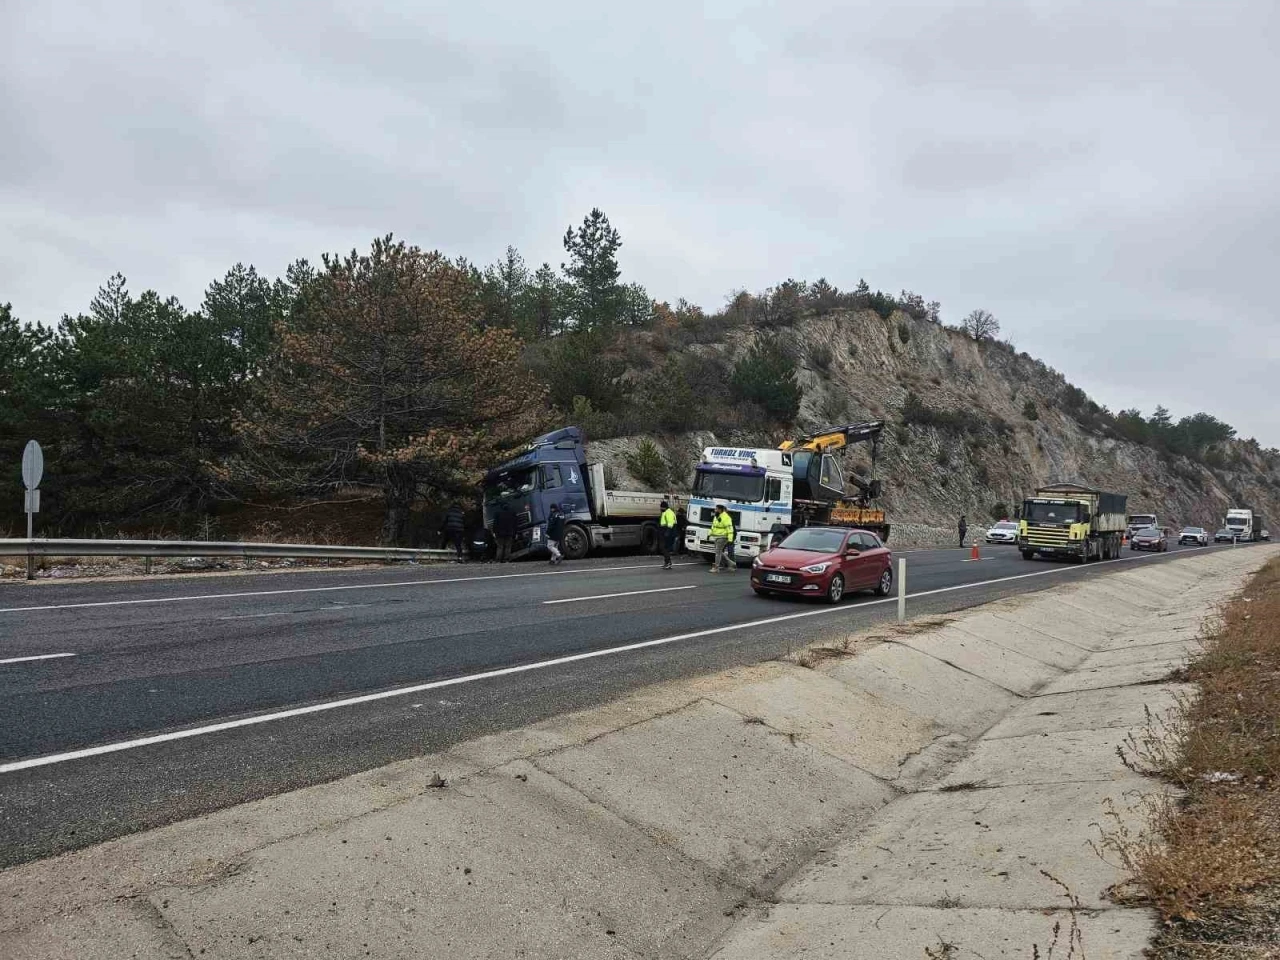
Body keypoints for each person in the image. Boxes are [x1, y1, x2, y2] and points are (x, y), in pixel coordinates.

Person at [709, 503, 736, 573]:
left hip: (723, 536)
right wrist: (709, 534)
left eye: (716, 509)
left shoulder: (726, 517)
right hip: (717, 536)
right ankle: (731, 563)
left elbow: (730, 528)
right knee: (719, 551)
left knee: (717, 552)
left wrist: (730, 539)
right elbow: (713, 526)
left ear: (720, 510)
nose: (715, 510)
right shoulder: (716, 516)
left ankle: (716, 568)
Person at [659, 500, 677, 569]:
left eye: (661, 507)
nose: (660, 509)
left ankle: (668, 563)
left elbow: (670, 523)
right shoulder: (665, 512)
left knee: (664, 548)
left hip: (668, 532)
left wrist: (667, 533)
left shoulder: (668, 512)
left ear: (664, 507)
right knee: (664, 548)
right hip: (665, 531)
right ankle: (667, 562)